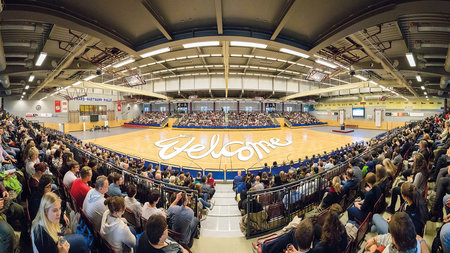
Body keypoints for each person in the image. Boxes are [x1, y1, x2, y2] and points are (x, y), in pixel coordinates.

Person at [364, 212, 429, 253]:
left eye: (391, 235)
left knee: (375, 218)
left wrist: (373, 249)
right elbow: (389, 238)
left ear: (394, 240)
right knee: (373, 228)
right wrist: (375, 239)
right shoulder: (414, 241)